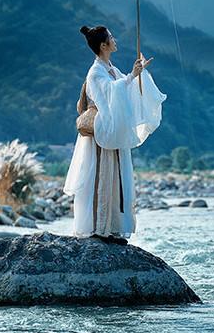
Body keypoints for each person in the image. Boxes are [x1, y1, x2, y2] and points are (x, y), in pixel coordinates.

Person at [63, 24, 166, 244]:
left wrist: (139, 74)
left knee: (117, 178)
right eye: (111, 37)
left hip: (113, 131)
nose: (114, 39)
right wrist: (130, 78)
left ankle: (115, 228)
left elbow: (125, 88)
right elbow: (110, 93)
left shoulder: (110, 68)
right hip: (102, 132)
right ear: (103, 45)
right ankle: (100, 227)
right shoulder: (96, 72)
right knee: (102, 177)